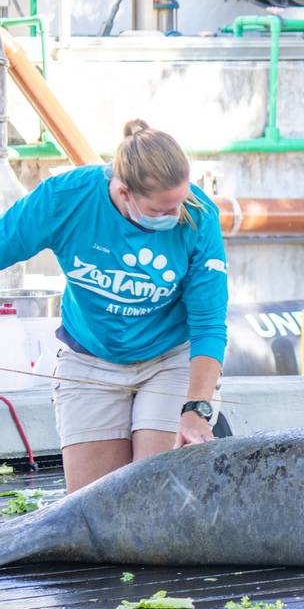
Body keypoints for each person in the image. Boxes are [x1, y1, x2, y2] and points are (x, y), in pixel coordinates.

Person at [0, 119, 228, 492]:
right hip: (90, 359)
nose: (176, 216)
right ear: (123, 192)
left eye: (180, 202)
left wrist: (197, 409)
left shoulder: (199, 216)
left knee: (154, 494)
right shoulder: (65, 198)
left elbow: (209, 324)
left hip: (168, 359)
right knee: (93, 503)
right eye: (161, 210)